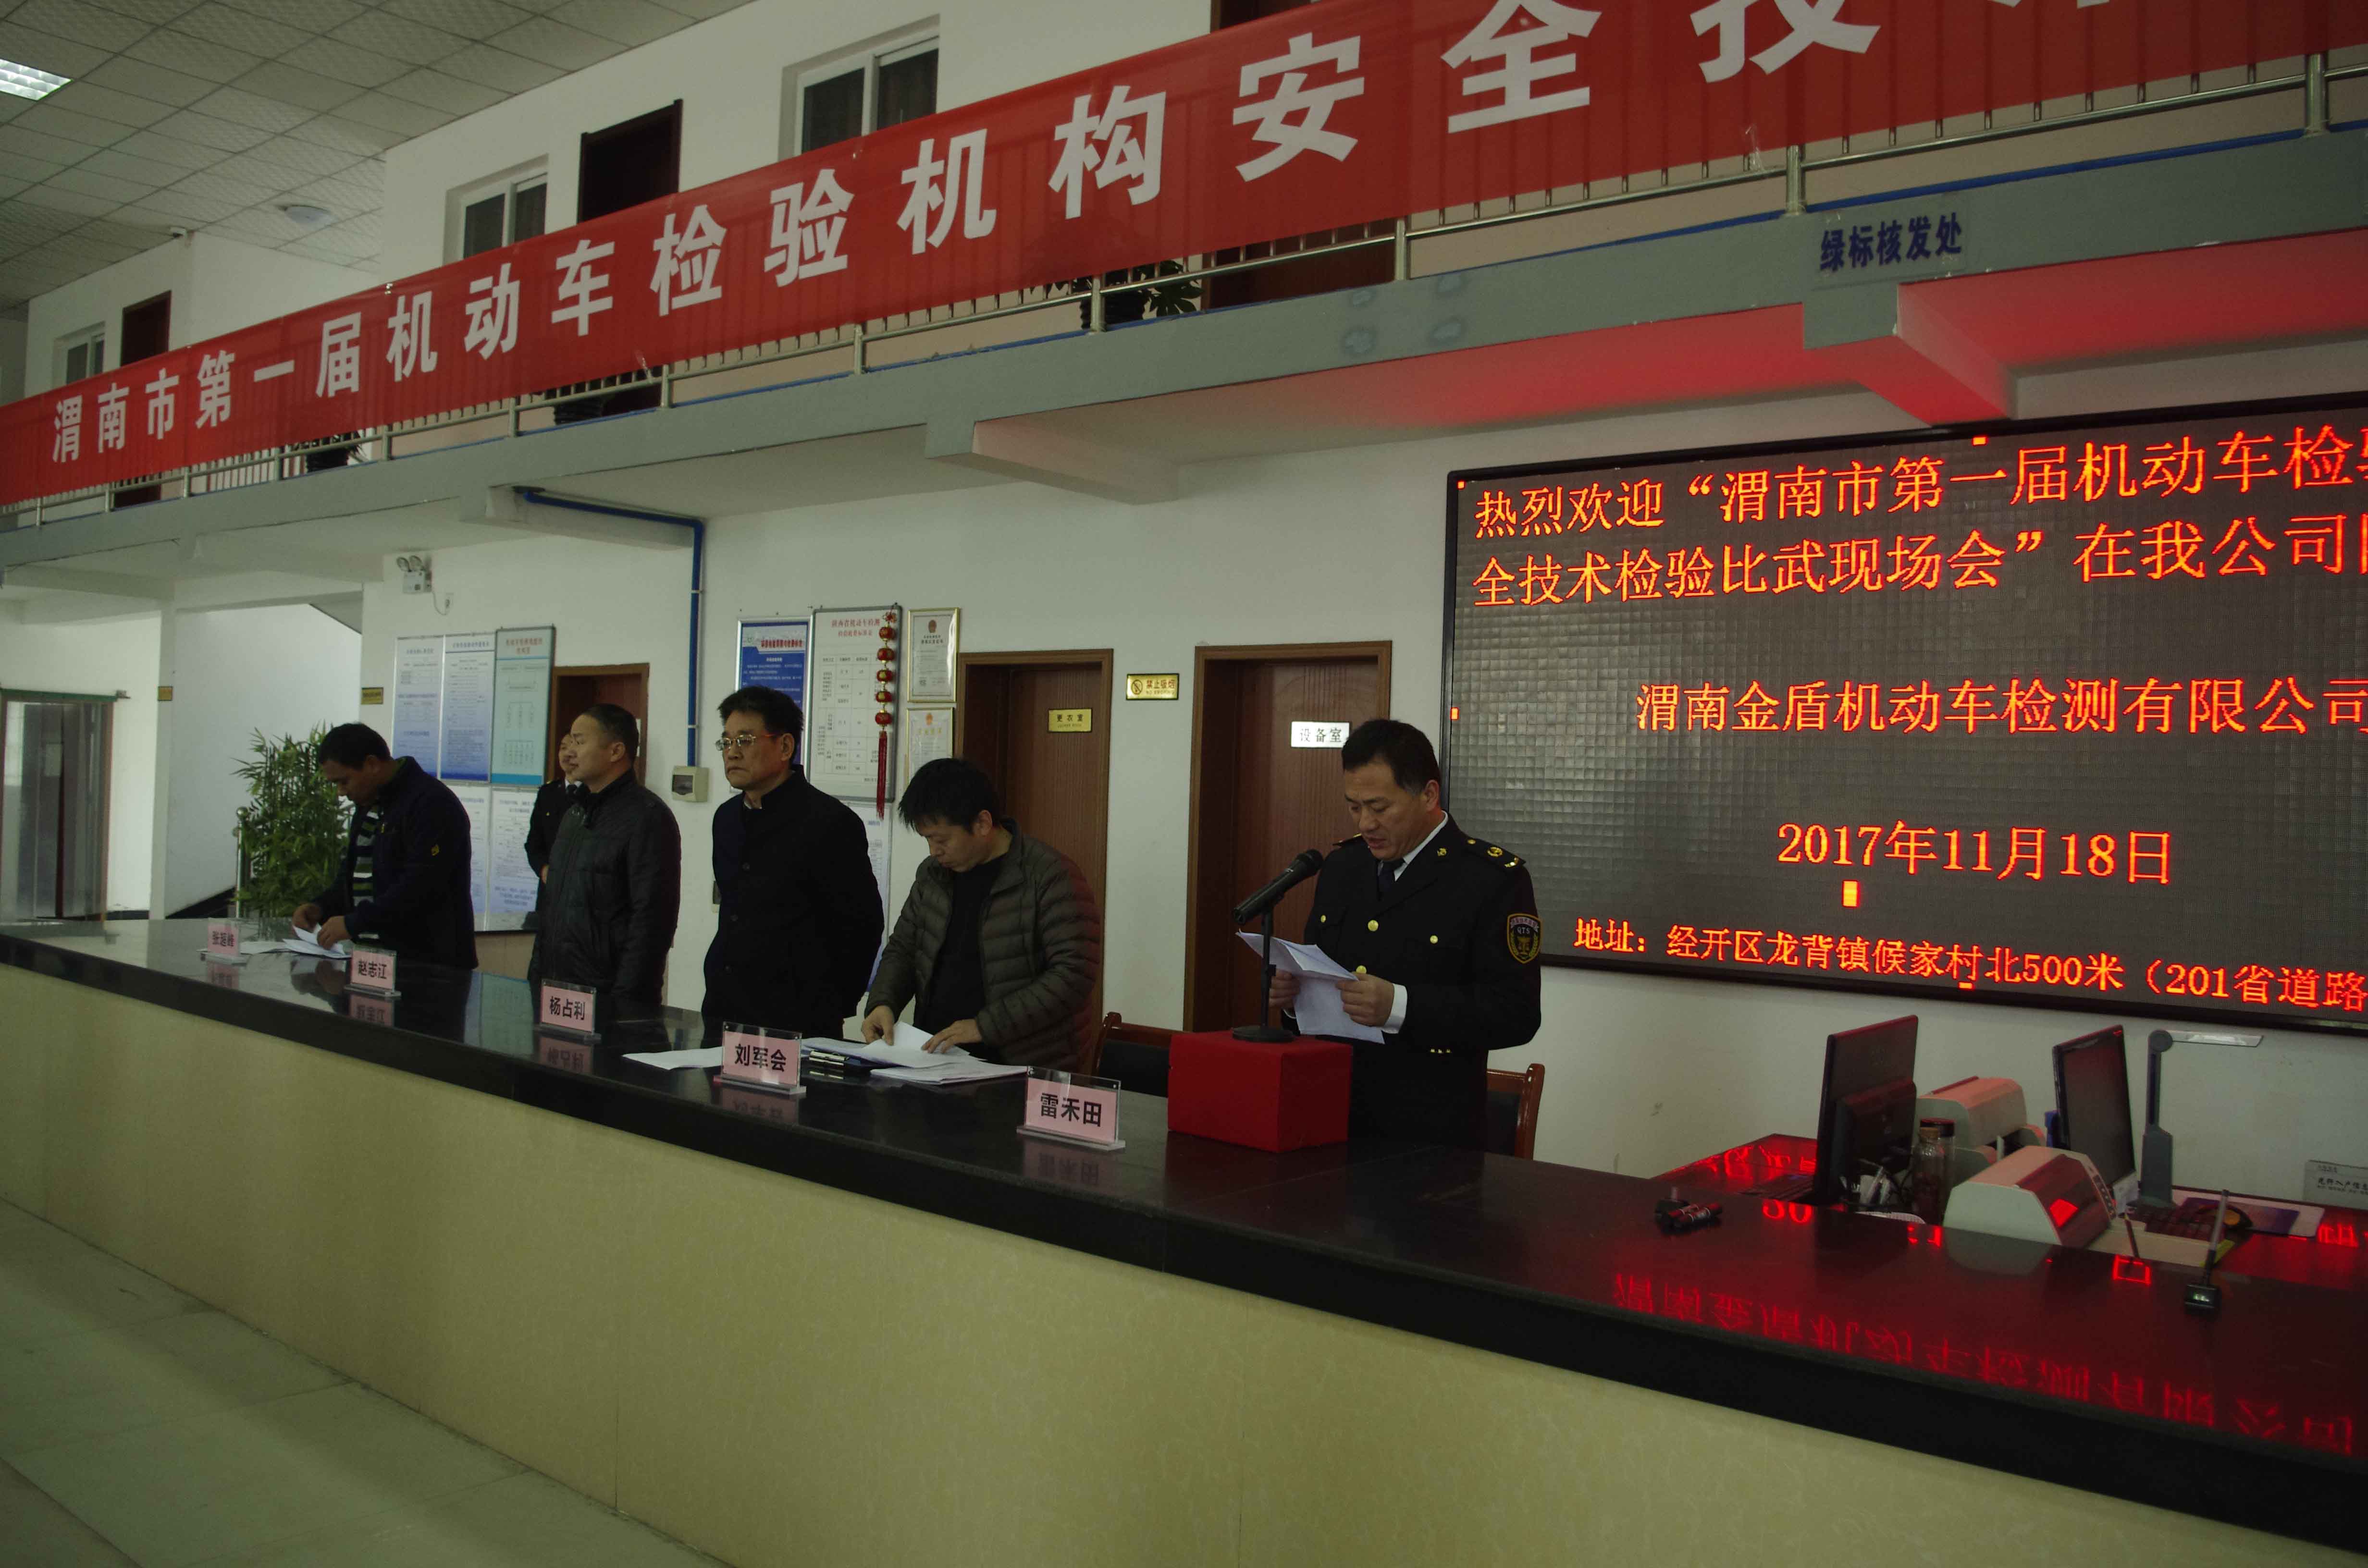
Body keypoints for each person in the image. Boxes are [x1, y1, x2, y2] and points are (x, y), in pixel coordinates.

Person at [1270, 719, 1541, 1148]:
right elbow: (1323, 975)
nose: (1366, 823)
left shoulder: (1490, 879)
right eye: (1354, 807)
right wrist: (1294, 999)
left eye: (1380, 808)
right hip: (1328, 1115)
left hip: (1429, 1135)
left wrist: (1400, 1006)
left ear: (1428, 795)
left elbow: (1516, 1014)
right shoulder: (1343, 868)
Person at [862, 758, 1101, 1068]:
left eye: (941, 840)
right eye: (927, 840)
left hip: (1022, 1063)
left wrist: (984, 1026)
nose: (934, 851)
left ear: (983, 824)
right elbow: (904, 948)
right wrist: (883, 1002)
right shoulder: (933, 875)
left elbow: (1073, 975)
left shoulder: (1050, 877)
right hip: (936, 1059)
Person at [703, 686, 883, 1038]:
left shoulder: (830, 822)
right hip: (724, 1007)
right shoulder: (726, 818)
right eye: (726, 742)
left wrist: (833, 1004)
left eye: (745, 740)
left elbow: (862, 926)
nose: (732, 753)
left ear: (785, 747)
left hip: (797, 1018)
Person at [529, 704, 680, 1007]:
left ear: (616, 751)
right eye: (569, 741)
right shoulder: (574, 814)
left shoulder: (647, 817)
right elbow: (553, 909)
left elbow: (651, 923)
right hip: (557, 991)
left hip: (608, 998)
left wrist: (627, 1001)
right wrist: (536, 977)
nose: (570, 751)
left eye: (580, 741)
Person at [293, 723, 478, 971]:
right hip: (375, 964)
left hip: (428, 965)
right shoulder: (369, 804)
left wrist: (356, 922)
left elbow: (421, 886)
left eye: (344, 781)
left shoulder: (432, 803)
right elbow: (355, 875)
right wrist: (321, 907)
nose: (340, 792)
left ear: (372, 764)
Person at [523, 728, 581, 896]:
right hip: (549, 888)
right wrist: (543, 869)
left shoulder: (595, 794)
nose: (568, 754)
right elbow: (533, 843)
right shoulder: (547, 793)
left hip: (579, 889)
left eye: (574, 747)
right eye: (563, 748)